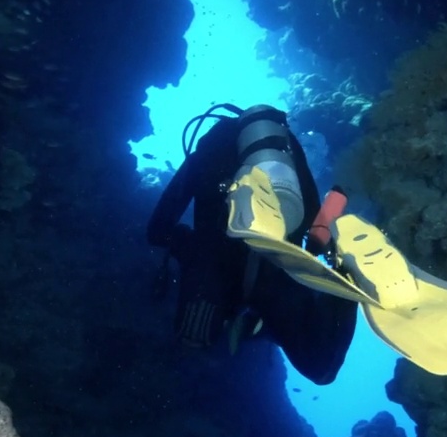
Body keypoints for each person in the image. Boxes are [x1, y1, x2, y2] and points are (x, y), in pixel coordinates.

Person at [147, 104, 357, 385]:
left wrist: (187, 246)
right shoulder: (287, 152)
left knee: (195, 338)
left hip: (213, 262)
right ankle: (346, 275)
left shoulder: (208, 150)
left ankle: (255, 326)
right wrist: (318, 247)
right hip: (276, 271)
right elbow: (308, 211)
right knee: (322, 369)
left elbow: (159, 228)